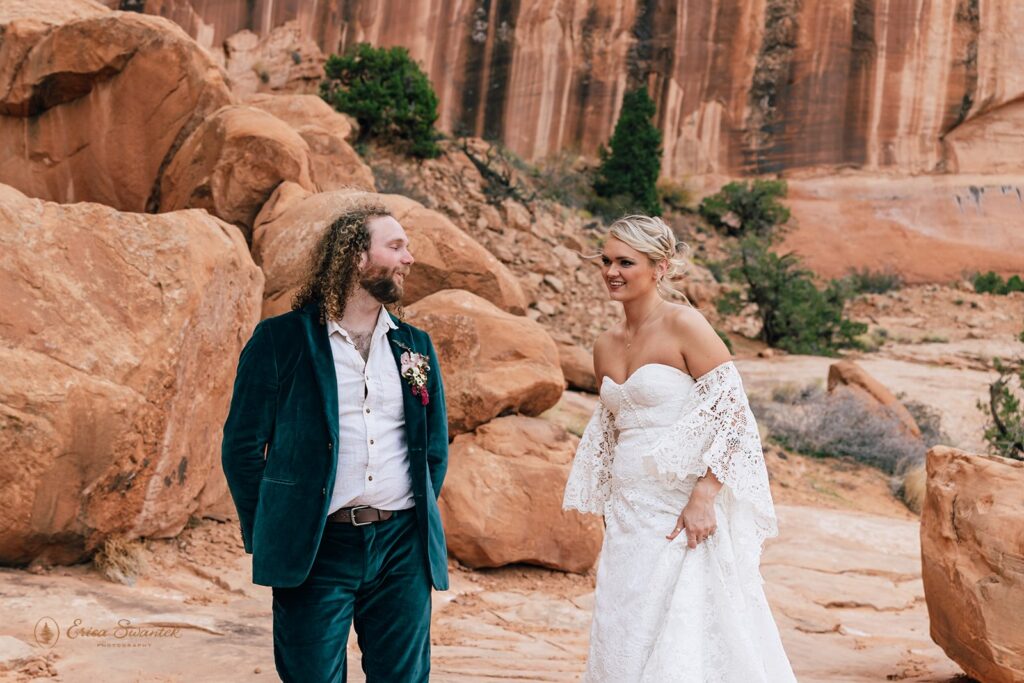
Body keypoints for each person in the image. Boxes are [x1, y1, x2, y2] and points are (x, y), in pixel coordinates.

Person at [221, 202, 449, 683]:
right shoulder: (281, 340)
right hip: (317, 544)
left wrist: (414, 515)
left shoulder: (414, 346)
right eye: (396, 246)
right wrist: (271, 529)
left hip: (401, 547)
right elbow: (242, 447)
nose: (409, 258)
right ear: (355, 257)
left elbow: (433, 448)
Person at [563, 215, 796, 681]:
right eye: (606, 260)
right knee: (624, 627)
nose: (612, 271)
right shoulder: (604, 345)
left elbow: (733, 414)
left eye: (626, 262)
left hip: (680, 510)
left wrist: (705, 496)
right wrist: (609, 499)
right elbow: (612, 430)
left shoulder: (684, 324)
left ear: (660, 267)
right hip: (628, 515)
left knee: (686, 628)